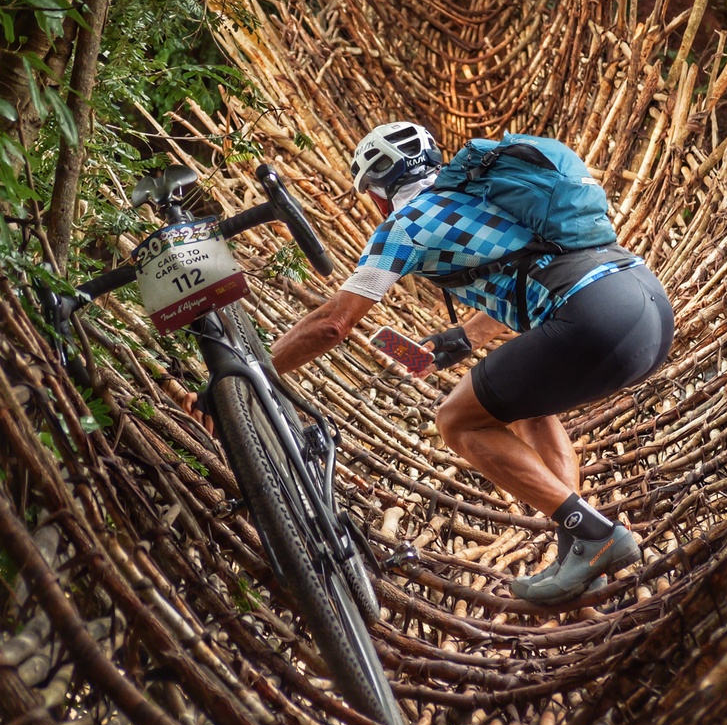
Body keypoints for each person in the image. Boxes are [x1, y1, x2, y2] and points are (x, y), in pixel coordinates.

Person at [257, 121, 675, 606]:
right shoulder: (485, 195)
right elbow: (529, 263)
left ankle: (597, 533)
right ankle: (581, 556)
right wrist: (462, 337)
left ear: (376, 193)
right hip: (645, 306)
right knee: (528, 410)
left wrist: (257, 371)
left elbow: (333, 323)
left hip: (594, 316)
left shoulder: (407, 221)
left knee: (456, 420)